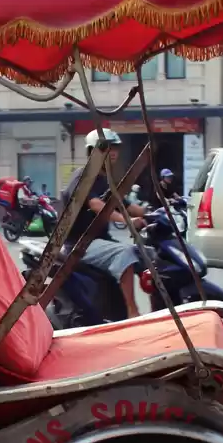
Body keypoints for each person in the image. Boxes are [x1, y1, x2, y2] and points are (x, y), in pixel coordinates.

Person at [59, 130, 149, 317]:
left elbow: (126, 205)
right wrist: (128, 221)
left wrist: (155, 213)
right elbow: (95, 204)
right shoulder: (83, 176)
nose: (113, 152)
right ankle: (133, 311)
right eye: (107, 147)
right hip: (80, 244)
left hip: (97, 241)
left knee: (147, 254)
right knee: (125, 252)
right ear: (93, 151)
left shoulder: (105, 181)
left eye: (115, 147)